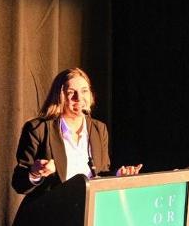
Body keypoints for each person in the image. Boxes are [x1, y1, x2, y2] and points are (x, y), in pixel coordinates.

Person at [11, 68, 142, 225]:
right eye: (71, 92)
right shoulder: (38, 129)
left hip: (87, 216)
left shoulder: (99, 129)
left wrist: (118, 174)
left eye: (84, 91)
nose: (79, 98)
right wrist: (35, 172)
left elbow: (100, 174)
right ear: (59, 97)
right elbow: (19, 183)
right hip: (48, 217)